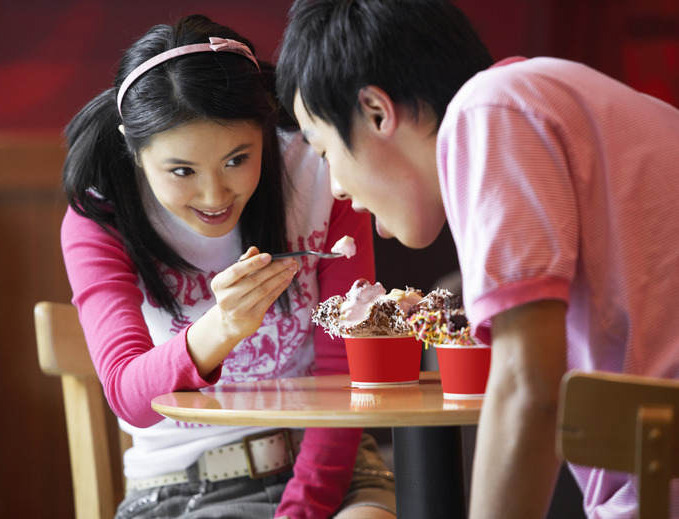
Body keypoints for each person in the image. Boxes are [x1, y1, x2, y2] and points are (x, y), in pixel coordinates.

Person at [275, 0, 679, 517]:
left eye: (325, 150)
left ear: (377, 112)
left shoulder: (490, 110)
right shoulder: (542, 98)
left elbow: (527, 389)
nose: (336, 187)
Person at [61, 14, 397, 519]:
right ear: (133, 146)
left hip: (329, 470)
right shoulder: (101, 214)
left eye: (238, 160)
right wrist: (223, 326)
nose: (215, 195)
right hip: (180, 487)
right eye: (181, 171)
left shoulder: (322, 171)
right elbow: (128, 395)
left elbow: (342, 374)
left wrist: (301, 510)